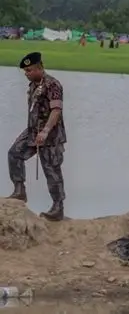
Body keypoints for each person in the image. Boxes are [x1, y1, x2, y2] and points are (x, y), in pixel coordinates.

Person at [7, 52, 67, 221]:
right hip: (32, 131)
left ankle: (58, 207)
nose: (27, 74)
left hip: (50, 135)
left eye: (30, 70)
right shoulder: (34, 85)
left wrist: (46, 130)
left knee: (52, 171)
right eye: (25, 71)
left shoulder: (53, 85)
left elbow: (56, 110)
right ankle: (20, 190)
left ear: (40, 68)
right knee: (14, 153)